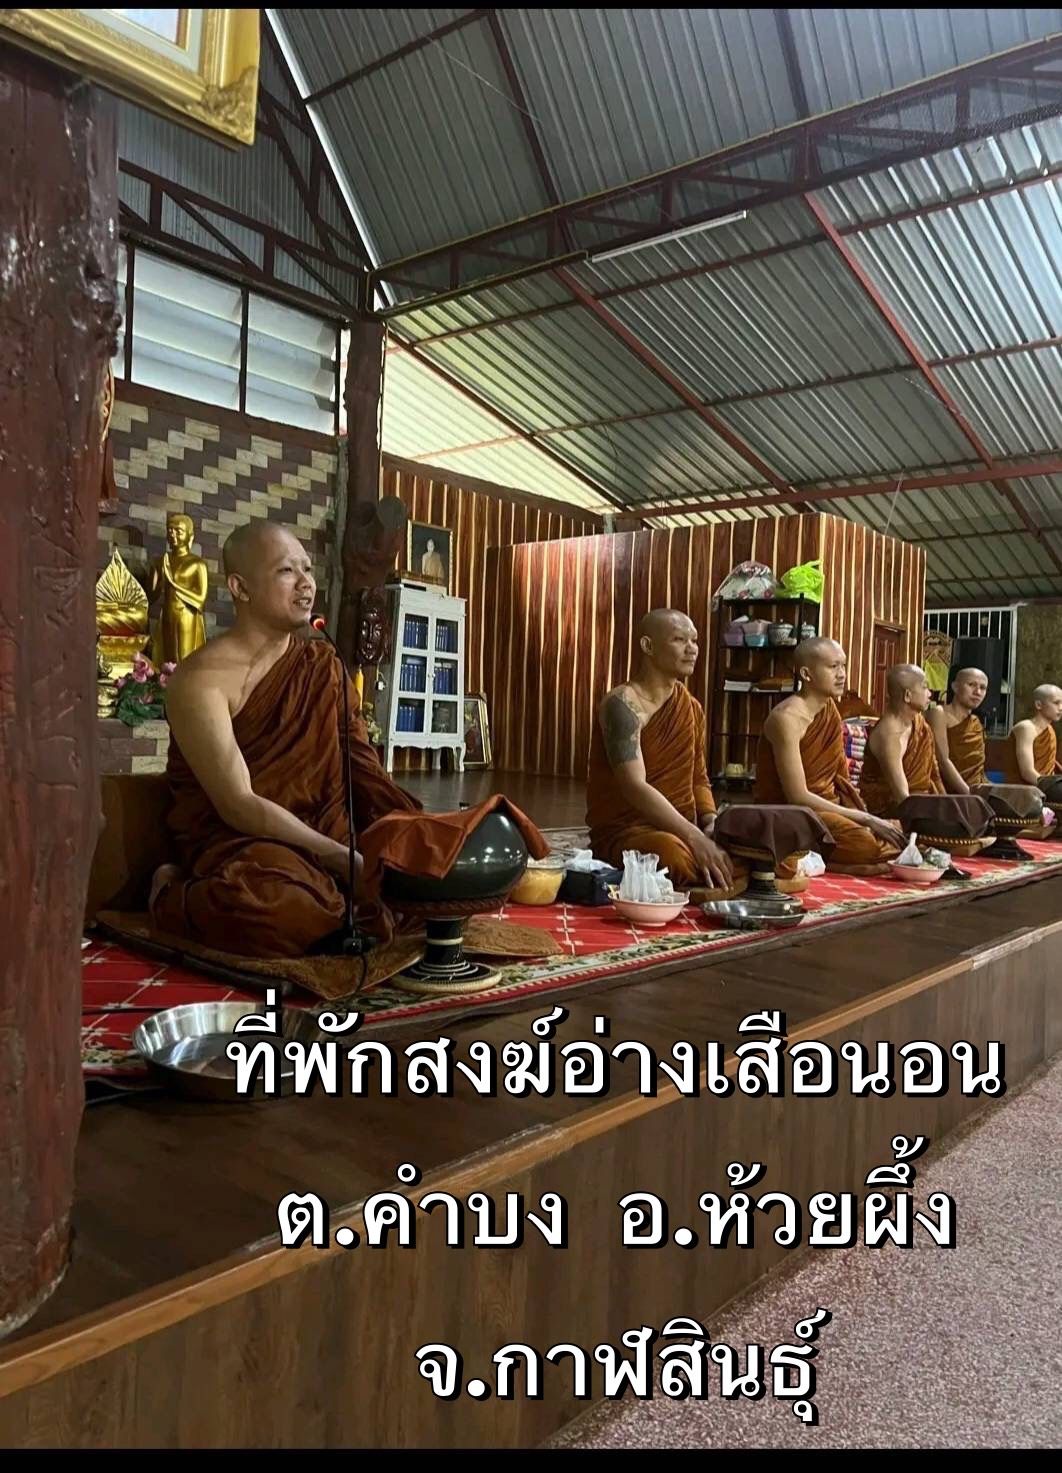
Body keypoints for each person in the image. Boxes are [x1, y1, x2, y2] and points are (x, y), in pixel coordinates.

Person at [150, 521, 421, 957]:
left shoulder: (321, 664)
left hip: (330, 830)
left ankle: (344, 903)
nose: (305, 583)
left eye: (307, 569)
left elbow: (363, 769)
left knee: (423, 881)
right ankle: (173, 894)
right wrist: (339, 858)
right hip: (246, 843)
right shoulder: (200, 681)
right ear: (240, 587)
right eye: (286, 571)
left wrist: (405, 831)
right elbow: (238, 805)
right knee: (277, 909)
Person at [586, 609, 733, 891]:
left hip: (682, 826)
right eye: (679, 639)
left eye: (694, 640)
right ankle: (722, 874)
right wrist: (694, 838)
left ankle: (716, 870)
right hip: (629, 832)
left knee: (758, 846)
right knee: (671, 856)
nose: (692, 649)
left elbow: (698, 779)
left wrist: (710, 823)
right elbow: (634, 786)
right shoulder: (622, 705)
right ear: (648, 646)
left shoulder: (691, 708)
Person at [754, 637, 902, 873]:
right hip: (792, 813)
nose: (842, 674)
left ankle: (831, 860)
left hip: (827, 808)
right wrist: (867, 820)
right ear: (806, 674)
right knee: (865, 844)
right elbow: (798, 796)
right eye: (833, 667)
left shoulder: (829, 710)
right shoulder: (786, 719)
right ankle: (833, 862)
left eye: (843, 666)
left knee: (897, 832)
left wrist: (860, 812)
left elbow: (840, 778)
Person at [858, 664, 945, 815]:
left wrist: (947, 804)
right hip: (891, 811)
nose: (930, 693)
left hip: (923, 802)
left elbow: (934, 775)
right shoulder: (889, 735)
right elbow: (902, 797)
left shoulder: (920, 724)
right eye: (924, 687)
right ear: (907, 696)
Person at [927, 668, 989, 793]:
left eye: (983, 688)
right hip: (951, 792)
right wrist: (969, 795)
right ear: (955, 687)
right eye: (971, 685)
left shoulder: (975, 722)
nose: (977, 692)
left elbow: (978, 770)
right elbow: (943, 761)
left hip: (978, 788)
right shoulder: (939, 713)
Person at [1002, 684, 1062, 786]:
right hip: (1022, 789)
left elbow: (1049, 771)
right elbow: (1027, 772)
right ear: (1038, 705)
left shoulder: (1050, 730)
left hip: (1044, 787)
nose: (1061, 708)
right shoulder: (1026, 728)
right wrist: (1052, 787)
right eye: (1056, 703)